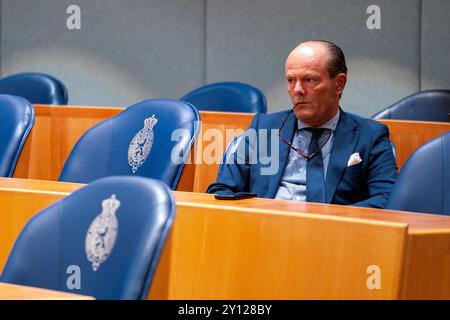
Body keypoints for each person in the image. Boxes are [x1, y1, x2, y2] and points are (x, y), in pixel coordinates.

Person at [206, 40, 398, 208]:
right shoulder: (264, 128)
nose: (297, 90)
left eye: (309, 79)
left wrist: (332, 220)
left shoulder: (370, 135)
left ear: (339, 84)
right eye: (291, 80)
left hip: (333, 238)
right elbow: (223, 190)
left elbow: (387, 198)